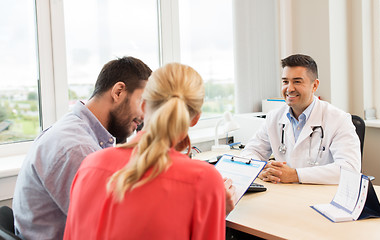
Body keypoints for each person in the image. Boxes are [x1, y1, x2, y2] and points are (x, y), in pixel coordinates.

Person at [64, 63, 226, 240]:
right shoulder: (204, 181)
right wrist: (216, 207)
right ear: (195, 119)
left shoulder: (90, 165)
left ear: (143, 106)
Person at [13, 56, 153, 240]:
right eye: (142, 102)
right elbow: (109, 229)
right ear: (118, 92)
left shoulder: (80, 132)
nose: (144, 115)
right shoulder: (76, 148)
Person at [240, 54, 361, 184]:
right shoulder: (274, 118)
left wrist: (295, 175)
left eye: (297, 81)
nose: (290, 89)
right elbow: (251, 152)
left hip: (323, 196)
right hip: (285, 193)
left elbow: (350, 169)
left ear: (314, 85)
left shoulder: (339, 120)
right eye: (285, 82)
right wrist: (260, 169)